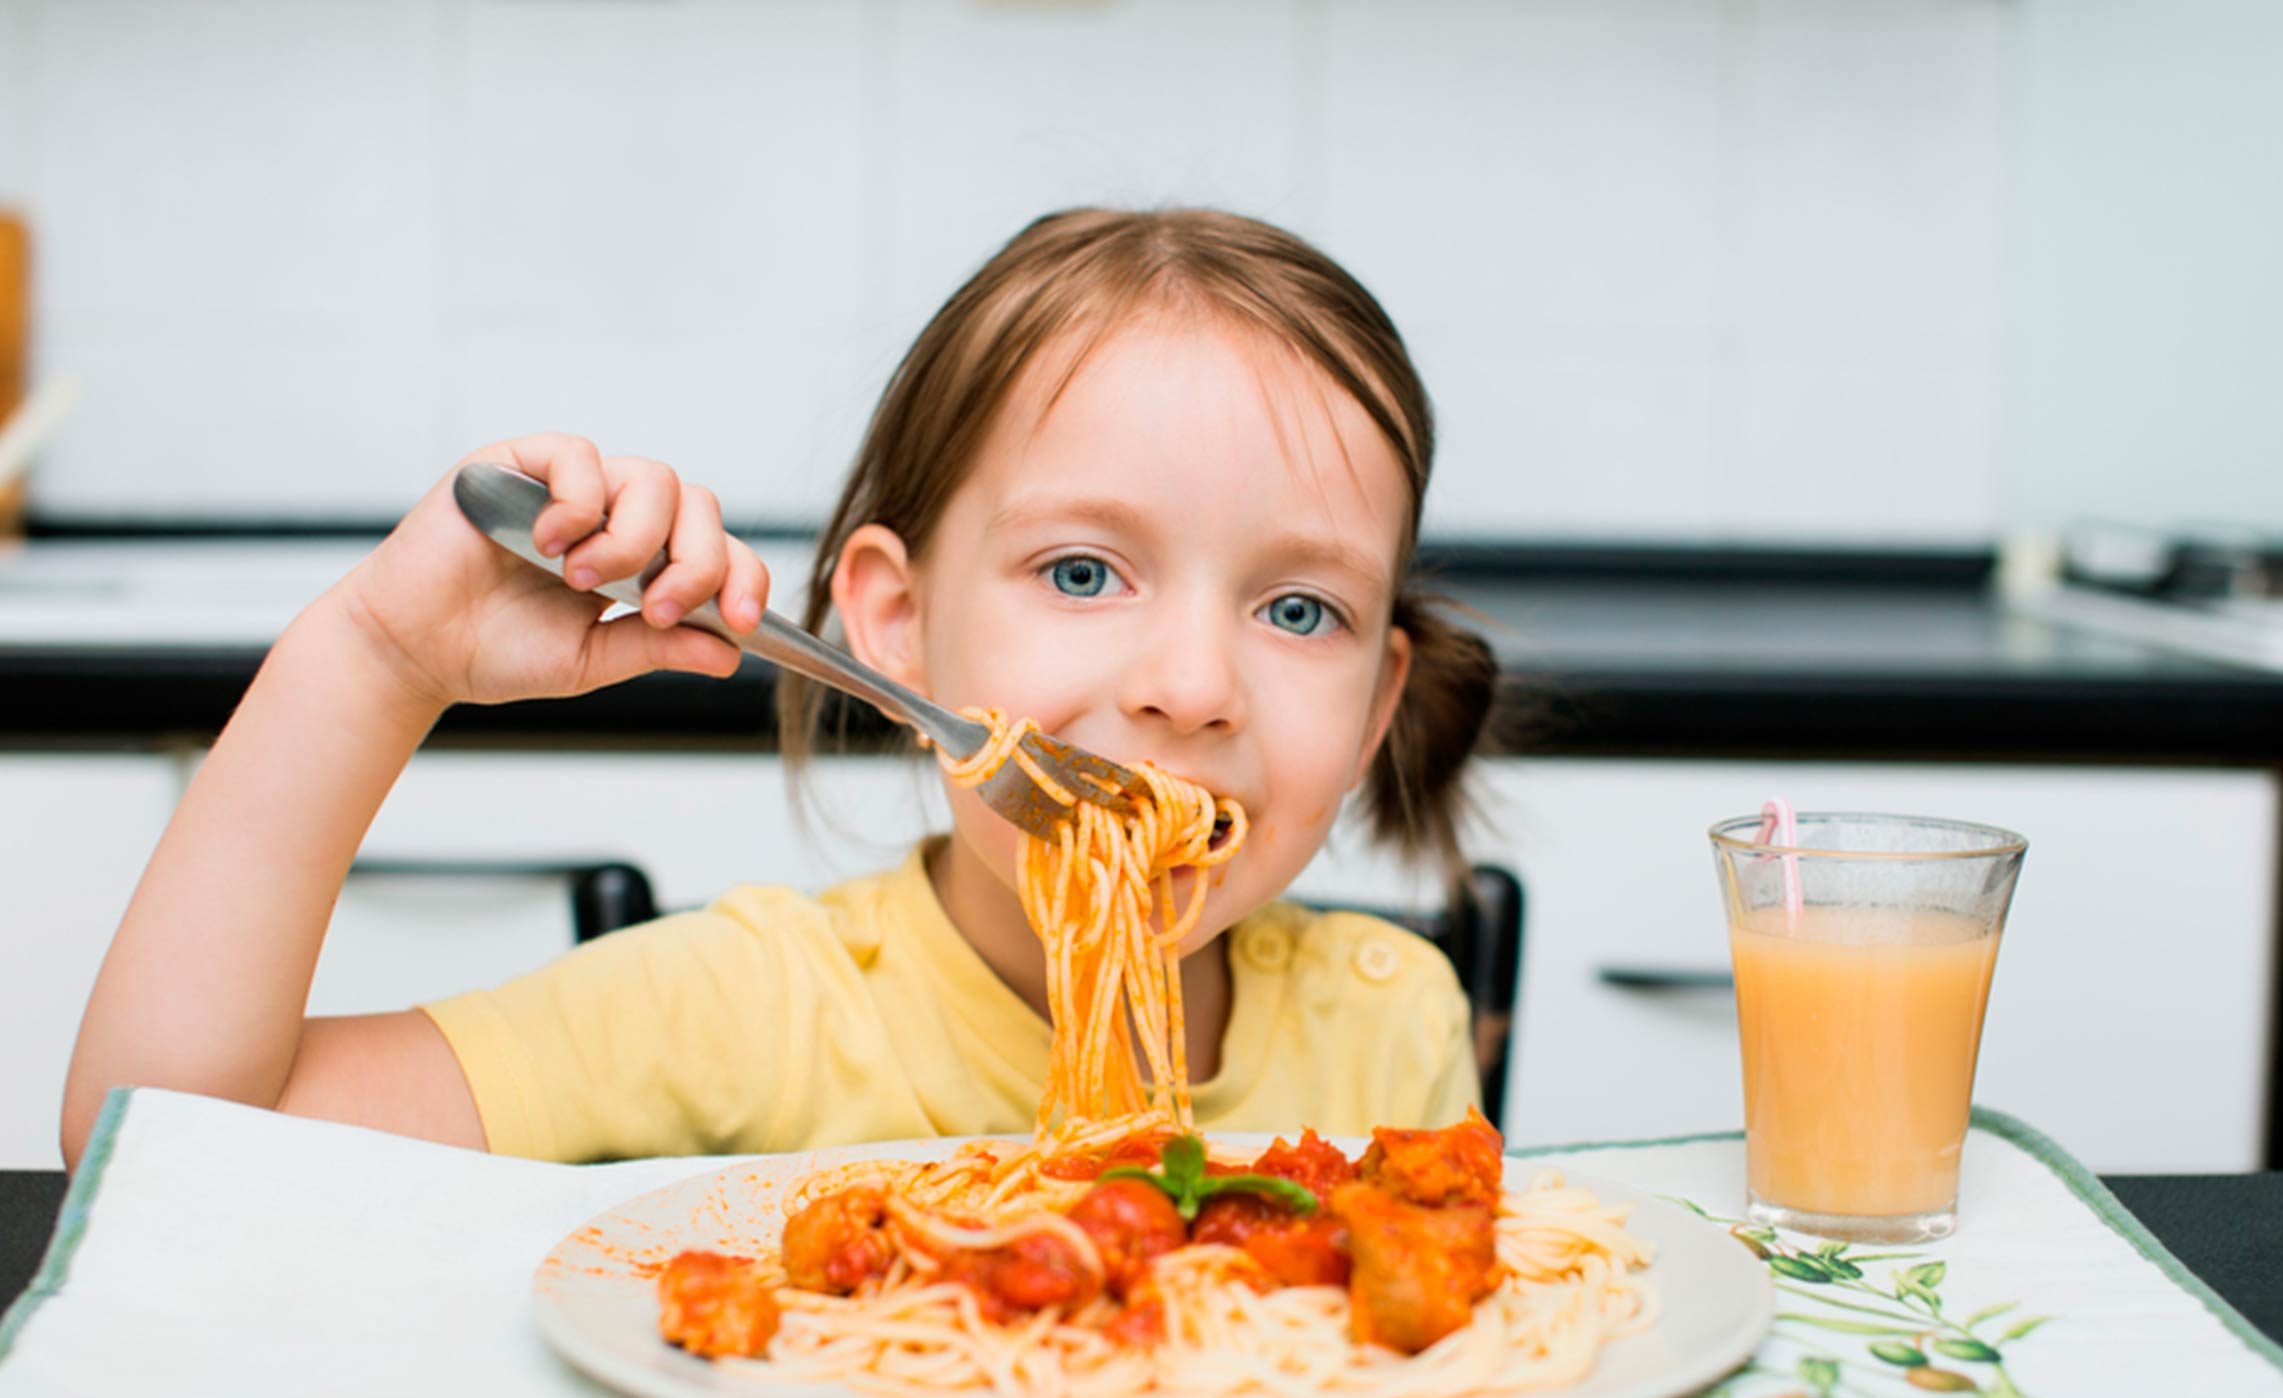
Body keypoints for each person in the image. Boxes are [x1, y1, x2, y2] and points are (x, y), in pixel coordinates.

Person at [60, 208, 1497, 1172]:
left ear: (1376, 706)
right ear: (897, 623)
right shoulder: (742, 1011)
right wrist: (376, 661)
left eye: (1297, 608)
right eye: (1080, 573)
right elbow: (164, 1149)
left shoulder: (1390, 1024)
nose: (1192, 689)